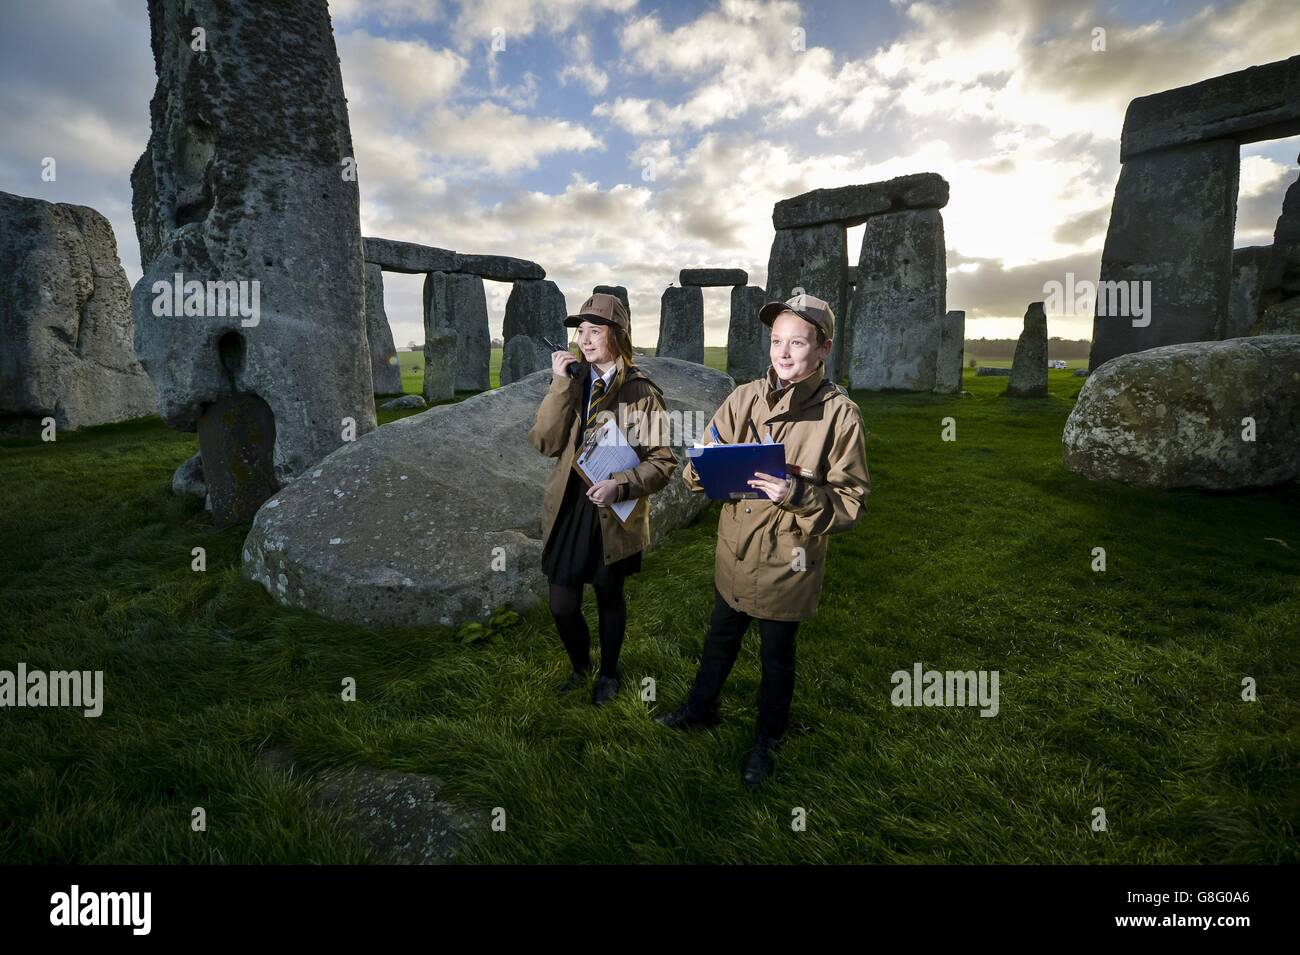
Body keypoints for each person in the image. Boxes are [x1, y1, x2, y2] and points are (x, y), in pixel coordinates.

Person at [655, 293, 870, 787]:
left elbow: (851, 503)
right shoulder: (743, 397)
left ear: (824, 349)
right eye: (777, 341)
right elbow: (700, 466)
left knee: (776, 656)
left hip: (787, 559)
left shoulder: (840, 416)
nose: (784, 353)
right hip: (735, 547)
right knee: (720, 637)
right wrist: (701, 467)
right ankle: (699, 709)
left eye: (798, 342)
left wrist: (797, 493)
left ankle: (767, 741)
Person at [527, 293, 677, 706]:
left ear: (618, 335)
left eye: (596, 330)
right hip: (570, 506)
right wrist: (560, 385)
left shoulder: (641, 391)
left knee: (610, 595)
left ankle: (608, 674)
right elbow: (544, 441)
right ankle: (580, 668)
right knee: (561, 603)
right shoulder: (571, 383)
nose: (585, 339)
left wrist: (622, 485)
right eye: (581, 331)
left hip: (613, 510)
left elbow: (663, 462)